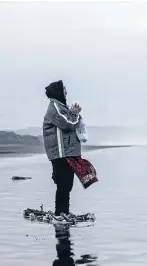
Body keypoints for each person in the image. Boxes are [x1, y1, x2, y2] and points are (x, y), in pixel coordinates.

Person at [43, 80, 82, 216]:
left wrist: (72, 112)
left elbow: (69, 120)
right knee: (63, 185)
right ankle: (60, 214)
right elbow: (67, 124)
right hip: (61, 153)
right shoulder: (55, 107)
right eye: (64, 89)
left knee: (66, 185)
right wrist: (75, 114)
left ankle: (63, 212)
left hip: (65, 152)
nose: (66, 92)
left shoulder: (60, 106)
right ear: (58, 92)